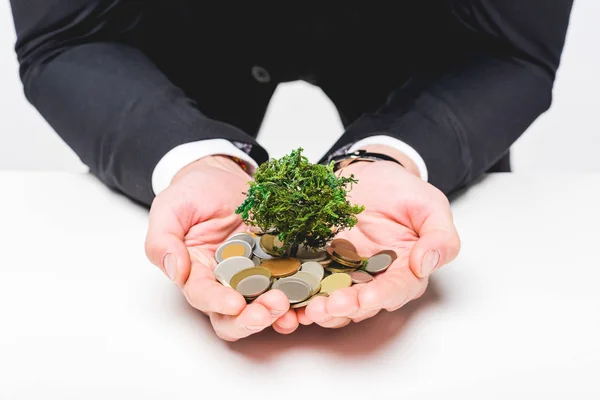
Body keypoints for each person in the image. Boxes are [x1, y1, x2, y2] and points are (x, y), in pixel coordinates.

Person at [9, 1, 573, 341]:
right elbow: (67, 34)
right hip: (167, 48)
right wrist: (193, 158)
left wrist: (393, 155)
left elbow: (511, 45)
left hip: (426, 54)